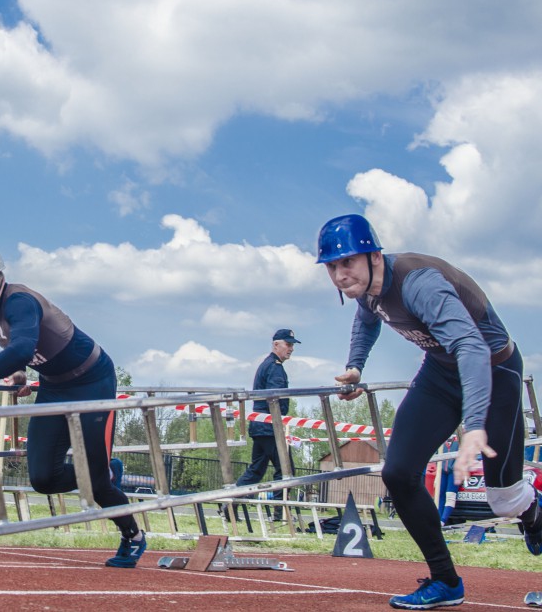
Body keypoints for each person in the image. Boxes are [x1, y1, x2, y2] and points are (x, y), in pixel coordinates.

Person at [316, 214, 541, 610]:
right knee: (398, 473)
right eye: (331, 266)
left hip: (493, 369)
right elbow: (367, 321)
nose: (339, 274)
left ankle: (534, 514)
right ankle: (445, 581)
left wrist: (474, 425)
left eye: (347, 262)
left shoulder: (421, 285)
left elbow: (472, 347)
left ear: (374, 256)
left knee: (503, 499)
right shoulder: (367, 289)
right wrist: (356, 365)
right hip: (440, 372)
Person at [0, 241, 146, 568]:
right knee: (43, 479)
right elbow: (14, 347)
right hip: (55, 386)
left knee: (96, 483)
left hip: (91, 381)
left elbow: (23, 348)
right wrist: (17, 374)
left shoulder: (20, 301)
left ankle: (132, 535)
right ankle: (106, 472)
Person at [232, 328, 299, 522]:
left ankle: (229, 505)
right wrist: (279, 423)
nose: (291, 349)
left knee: (256, 471)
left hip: (260, 425)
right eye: (288, 345)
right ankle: (281, 513)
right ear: (276, 344)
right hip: (270, 426)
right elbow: (275, 398)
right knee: (286, 470)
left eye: (292, 345)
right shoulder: (274, 367)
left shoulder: (267, 365)